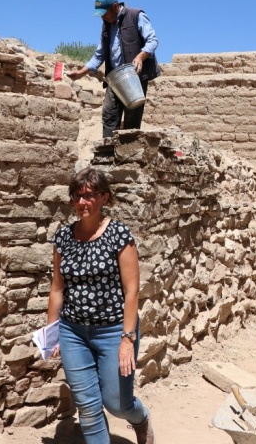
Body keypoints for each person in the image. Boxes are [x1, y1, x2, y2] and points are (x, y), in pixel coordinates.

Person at [47, 167, 155, 444]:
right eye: (77, 196)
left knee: (117, 404)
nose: (82, 202)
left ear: (104, 198)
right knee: (88, 407)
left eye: (89, 196)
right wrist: (52, 330)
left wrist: (127, 339)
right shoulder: (63, 238)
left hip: (114, 331)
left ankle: (139, 417)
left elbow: (132, 291)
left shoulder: (118, 235)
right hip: (73, 332)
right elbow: (58, 287)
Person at [68, 0, 160, 138]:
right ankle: (107, 156)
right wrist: (81, 73)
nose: (102, 17)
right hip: (115, 78)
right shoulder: (106, 26)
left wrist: (140, 57)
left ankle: (129, 157)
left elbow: (152, 41)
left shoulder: (136, 15)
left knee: (132, 118)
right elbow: (100, 54)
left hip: (134, 77)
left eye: (104, 13)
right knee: (109, 115)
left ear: (115, 7)